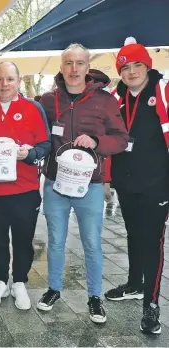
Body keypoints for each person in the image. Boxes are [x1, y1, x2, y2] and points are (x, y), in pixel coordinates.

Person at [36, 43, 129, 323]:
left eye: (79, 63)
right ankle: (53, 288)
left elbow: (122, 140)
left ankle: (94, 296)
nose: (73, 69)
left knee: (91, 243)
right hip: (55, 183)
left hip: (90, 185)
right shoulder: (47, 100)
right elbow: (33, 129)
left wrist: (97, 141)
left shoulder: (105, 100)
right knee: (55, 241)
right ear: (61, 67)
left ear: (88, 68)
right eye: (68, 63)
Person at [104, 37, 169, 335]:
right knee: (133, 233)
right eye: (125, 67)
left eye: (137, 65)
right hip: (126, 183)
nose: (131, 72)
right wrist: (109, 179)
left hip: (158, 183)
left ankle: (151, 304)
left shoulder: (162, 91)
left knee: (152, 240)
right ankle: (134, 284)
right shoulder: (117, 99)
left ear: (148, 65)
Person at [0, 62, 51, 309]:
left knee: (22, 239)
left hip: (25, 189)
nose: (4, 84)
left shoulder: (33, 108)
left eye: (9, 79)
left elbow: (45, 144)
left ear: (19, 81)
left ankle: (19, 281)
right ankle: (0, 280)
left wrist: (29, 154)